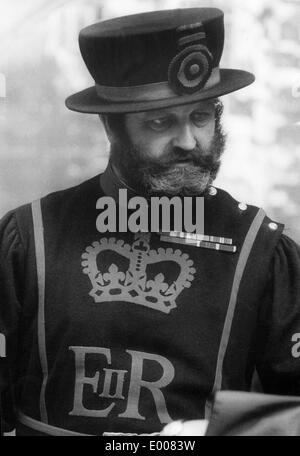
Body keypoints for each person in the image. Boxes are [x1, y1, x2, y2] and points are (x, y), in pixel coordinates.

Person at [1, 7, 300, 436]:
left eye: (201, 117)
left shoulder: (260, 249)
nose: (189, 141)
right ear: (111, 127)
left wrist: (215, 433)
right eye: (161, 122)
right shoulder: (30, 237)